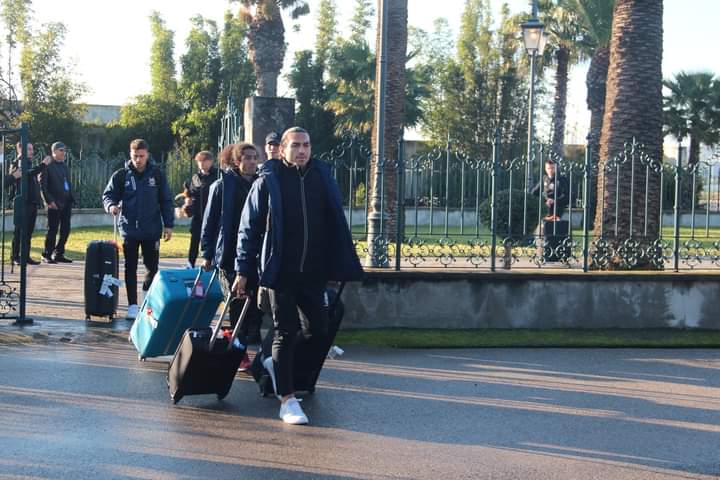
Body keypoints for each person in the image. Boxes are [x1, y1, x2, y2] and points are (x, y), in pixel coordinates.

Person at [232, 127, 363, 425]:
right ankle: (287, 400)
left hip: (314, 271)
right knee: (285, 331)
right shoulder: (270, 179)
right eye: (295, 146)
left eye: (305, 145)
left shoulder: (322, 176)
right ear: (282, 150)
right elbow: (248, 228)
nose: (301, 151)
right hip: (281, 270)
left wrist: (337, 262)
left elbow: (335, 221)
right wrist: (243, 269)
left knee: (319, 328)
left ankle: (273, 364)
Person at [102, 139, 174, 320]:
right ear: (130, 155)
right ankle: (133, 305)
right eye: (135, 156)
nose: (139, 160)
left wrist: (169, 224)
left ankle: (147, 302)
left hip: (151, 229)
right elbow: (108, 195)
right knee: (130, 267)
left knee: (152, 267)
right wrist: (111, 206)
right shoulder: (121, 175)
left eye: (142, 156)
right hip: (129, 230)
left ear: (147, 155)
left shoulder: (157, 175)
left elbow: (166, 200)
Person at [200, 143, 262, 343]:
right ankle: (236, 341)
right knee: (236, 299)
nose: (252, 162)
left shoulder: (262, 184)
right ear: (237, 161)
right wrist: (207, 253)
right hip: (229, 253)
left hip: (256, 251)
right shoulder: (221, 186)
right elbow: (209, 222)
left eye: (255, 157)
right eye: (248, 158)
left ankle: (249, 340)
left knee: (255, 302)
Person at [4, 142, 50, 265]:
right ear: (20, 150)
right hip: (22, 202)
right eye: (29, 149)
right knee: (19, 231)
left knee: (28, 232)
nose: (32, 151)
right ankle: (15, 257)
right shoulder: (18, 162)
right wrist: (43, 165)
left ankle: (25, 256)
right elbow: (27, 173)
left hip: (31, 202)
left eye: (32, 149)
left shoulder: (28, 162)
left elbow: (31, 176)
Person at [40, 141, 74, 263]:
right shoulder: (48, 166)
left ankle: (59, 253)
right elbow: (43, 186)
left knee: (66, 229)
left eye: (64, 150)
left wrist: (71, 198)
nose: (63, 152)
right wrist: (49, 201)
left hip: (66, 203)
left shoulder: (64, 166)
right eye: (61, 150)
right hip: (53, 204)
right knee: (52, 230)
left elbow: (67, 184)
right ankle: (47, 254)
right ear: (54, 152)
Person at [182, 151, 218, 269]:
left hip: (213, 215)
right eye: (199, 161)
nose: (201, 163)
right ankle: (190, 263)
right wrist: (188, 202)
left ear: (211, 161)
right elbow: (191, 193)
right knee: (194, 239)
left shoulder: (217, 175)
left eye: (204, 160)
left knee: (211, 239)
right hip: (198, 214)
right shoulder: (195, 177)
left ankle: (211, 262)